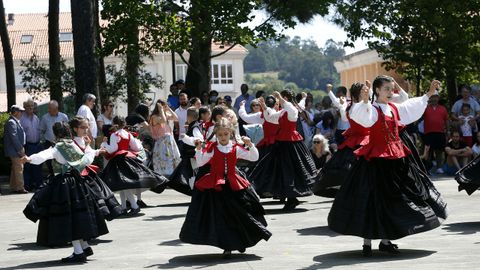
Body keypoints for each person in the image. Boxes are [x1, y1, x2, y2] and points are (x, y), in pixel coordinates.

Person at [328, 76, 447, 257]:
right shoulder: (372, 109)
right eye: (386, 89)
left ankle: (385, 241)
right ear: (377, 91)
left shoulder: (394, 108)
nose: (391, 92)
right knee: (370, 200)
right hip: (375, 162)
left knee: (392, 201)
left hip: (395, 160)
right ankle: (367, 242)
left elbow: (412, 107)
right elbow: (362, 118)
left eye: (392, 89)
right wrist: (366, 101)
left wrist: (429, 92)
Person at [179, 118, 271, 258]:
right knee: (222, 217)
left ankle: (240, 241)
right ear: (216, 134)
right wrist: (198, 149)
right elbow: (201, 162)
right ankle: (228, 245)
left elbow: (253, 157)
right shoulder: (212, 147)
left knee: (241, 214)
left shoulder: (235, 148)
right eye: (220, 134)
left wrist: (250, 145)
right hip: (217, 185)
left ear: (231, 133)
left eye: (225, 134)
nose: (223, 137)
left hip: (234, 183)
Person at [22, 122, 111, 263]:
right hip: (78, 183)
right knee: (78, 216)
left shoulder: (58, 147)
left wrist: (29, 159)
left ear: (56, 134)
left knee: (69, 218)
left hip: (63, 186)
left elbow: (45, 155)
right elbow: (86, 158)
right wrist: (92, 149)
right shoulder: (74, 144)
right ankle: (84, 246)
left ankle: (78, 252)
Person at [248, 90, 318, 210]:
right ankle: (291, 199)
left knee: (293, 170)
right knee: (283, 171)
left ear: (285, 98)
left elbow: (290, 107)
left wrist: (280, 98)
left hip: (292, 144)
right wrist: (264, 106)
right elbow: (270, 118)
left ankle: (291, 199)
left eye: (281, 98)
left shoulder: (292, 110)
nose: (278, 101)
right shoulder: (282, 112)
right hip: (282, 144)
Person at [100, 116, 169, 215]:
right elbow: (136, 148)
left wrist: (104, 144)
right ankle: (124, 207)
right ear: (124, 124)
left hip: (119, 161)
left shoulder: (114, 135)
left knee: (124, 185)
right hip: (128, 159)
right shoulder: (128, 134)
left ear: (114, 124)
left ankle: (134, 206)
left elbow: (112, 149)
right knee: (123, 185)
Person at [313, 82, 370, 198]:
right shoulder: (353, 108)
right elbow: (348, 112)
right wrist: (342, 103)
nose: (366, 93)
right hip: (358, 141)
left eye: (366, 91)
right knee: (354, 168)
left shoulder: (361, 105)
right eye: (363, 92)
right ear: (355, 95)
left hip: (367, 139)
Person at [169, 107, 203, 196]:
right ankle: (194, 193)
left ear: (188, 117)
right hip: (187, 157)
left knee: (191, 176)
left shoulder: (195, 127)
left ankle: (195, 194)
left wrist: (186, 138)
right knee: (182, 176)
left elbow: (199, 139)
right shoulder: (193, 126)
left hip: (191, 158)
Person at [150, 99, 181, 176]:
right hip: (161, 141)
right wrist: (161, 110)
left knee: (171, 158)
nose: (164, 108)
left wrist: (169, 109)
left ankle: (172, 176)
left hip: (169, 140)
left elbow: (176, 118)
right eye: (163, 106)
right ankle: (164, 176)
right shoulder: (154, 117)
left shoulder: (165, 114)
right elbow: (163, 121)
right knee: (163, 159)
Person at [40, 100, 69, 175]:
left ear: (56, 109)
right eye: (48, 108)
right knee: (49, 163)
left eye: (50, 108)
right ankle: (53, 179)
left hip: (61, 144)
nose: (48, 110)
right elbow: (42, 130)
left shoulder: (63, 117)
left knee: (61, 163)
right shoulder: (45, 117)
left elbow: (68, 130)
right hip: (49, 143)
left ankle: (61, 179)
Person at [20, 99, 43, 191]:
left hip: (37, 145)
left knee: (37, 165)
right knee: (28, 167)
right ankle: (27, 185)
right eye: (28, 106)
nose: (30, 108)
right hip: (28, 145)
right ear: (24, 108)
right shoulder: (22, 118)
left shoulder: (36, 118)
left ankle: (37, 185)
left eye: (32, 106)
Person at [423, 93, 449, 174]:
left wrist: (448, 131)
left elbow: (446, 121)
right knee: (428, 151)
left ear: (438, 98)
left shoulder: (443, 108)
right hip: (428, 132)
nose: (434, 99)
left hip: (440, 132)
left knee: (440, 151)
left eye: (436, 97)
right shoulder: (425, 108)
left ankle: (439, 167)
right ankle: (427, 168)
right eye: (432, 97)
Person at [4, 105, 27, 194]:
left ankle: (14, 187)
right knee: (19, 167)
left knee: (15, 168)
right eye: (21, 111)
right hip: (15, 150)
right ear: (16, 112)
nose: (22, 113)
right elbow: (14, 138)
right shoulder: (12, 122)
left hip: (15, 149)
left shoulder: (14, 121)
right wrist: (20, 149)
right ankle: (20, 187)